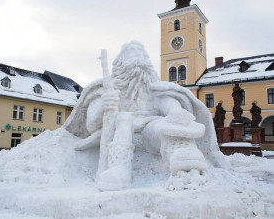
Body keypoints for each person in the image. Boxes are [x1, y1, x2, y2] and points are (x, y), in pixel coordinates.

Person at [65, 41, 228, 191]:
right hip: (121, 132)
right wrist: (103, 106)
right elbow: (91, 125)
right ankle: (119, 169)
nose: (138, 55)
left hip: (150, 131)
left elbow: (170, 108)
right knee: (124, 119)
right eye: (132, 52)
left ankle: (182, 155)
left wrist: (176, 113)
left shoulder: (156, 89)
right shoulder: (107, 89)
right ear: (120, 61)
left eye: (141, 53)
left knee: (162, 125)